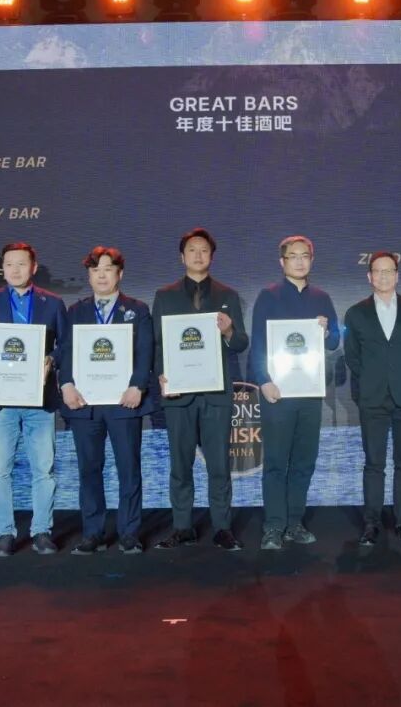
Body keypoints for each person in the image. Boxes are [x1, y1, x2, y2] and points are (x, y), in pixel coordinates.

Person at [0, 242, 68, 557]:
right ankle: (4, 533)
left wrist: (52, 359)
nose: (15, 270)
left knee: (43, 470)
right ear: (3, 268)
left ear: (33, 267)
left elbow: (66, 346)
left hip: (41, 400)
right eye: (9, 264)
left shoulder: (53, 303)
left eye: (21, 264)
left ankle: (41, 531)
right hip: (0, 401)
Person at [152, 228, 249, 551]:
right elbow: (157, 344)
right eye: (192, 250)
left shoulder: (228, 295)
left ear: (212, 256)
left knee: (219, 465)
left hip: (216, 394)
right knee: (180, 466)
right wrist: (162, 376)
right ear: (182, 256)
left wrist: (229, 330)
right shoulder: (165, 296)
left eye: (204, 250)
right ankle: (183, 527)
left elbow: (240, 343)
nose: (198, 255)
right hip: (178, 395)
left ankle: (222, 527)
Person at [58, 246, 155, 555]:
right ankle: (92, 533)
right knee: (89, 470)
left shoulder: (137, 310)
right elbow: (65, 352)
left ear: (119, 274)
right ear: (89, 275)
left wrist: (138, 385)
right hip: (84, 404)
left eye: (108, 269)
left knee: (129, 469)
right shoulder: (76, 311)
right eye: (95, 270)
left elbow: (146, 352)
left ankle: (129, 532)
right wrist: (66, 384)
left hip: (124, 402)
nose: (101, 276)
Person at [248, 235, 340, 550]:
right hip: (277, 392)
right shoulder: (268, 296)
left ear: (312, 260)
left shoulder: (322, 298)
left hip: (310, 393)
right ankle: (273, 526)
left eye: (305, 256)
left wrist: (326, 331)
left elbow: (334, 341)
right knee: (276, 462)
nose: (300, 261)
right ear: (282, 261)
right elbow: (258, 343)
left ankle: (294, 523)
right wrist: (263, 380)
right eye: (293, 256)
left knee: (304, 461)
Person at [344, 251, 401, 546]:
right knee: (374, 463)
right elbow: (353, 357)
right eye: (377, 271)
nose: (383, 276)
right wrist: (374, 378)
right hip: (372, 398)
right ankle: (372, 523)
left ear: (397, 275)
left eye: (389, 271)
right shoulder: (356, 313)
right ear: (369, 276)